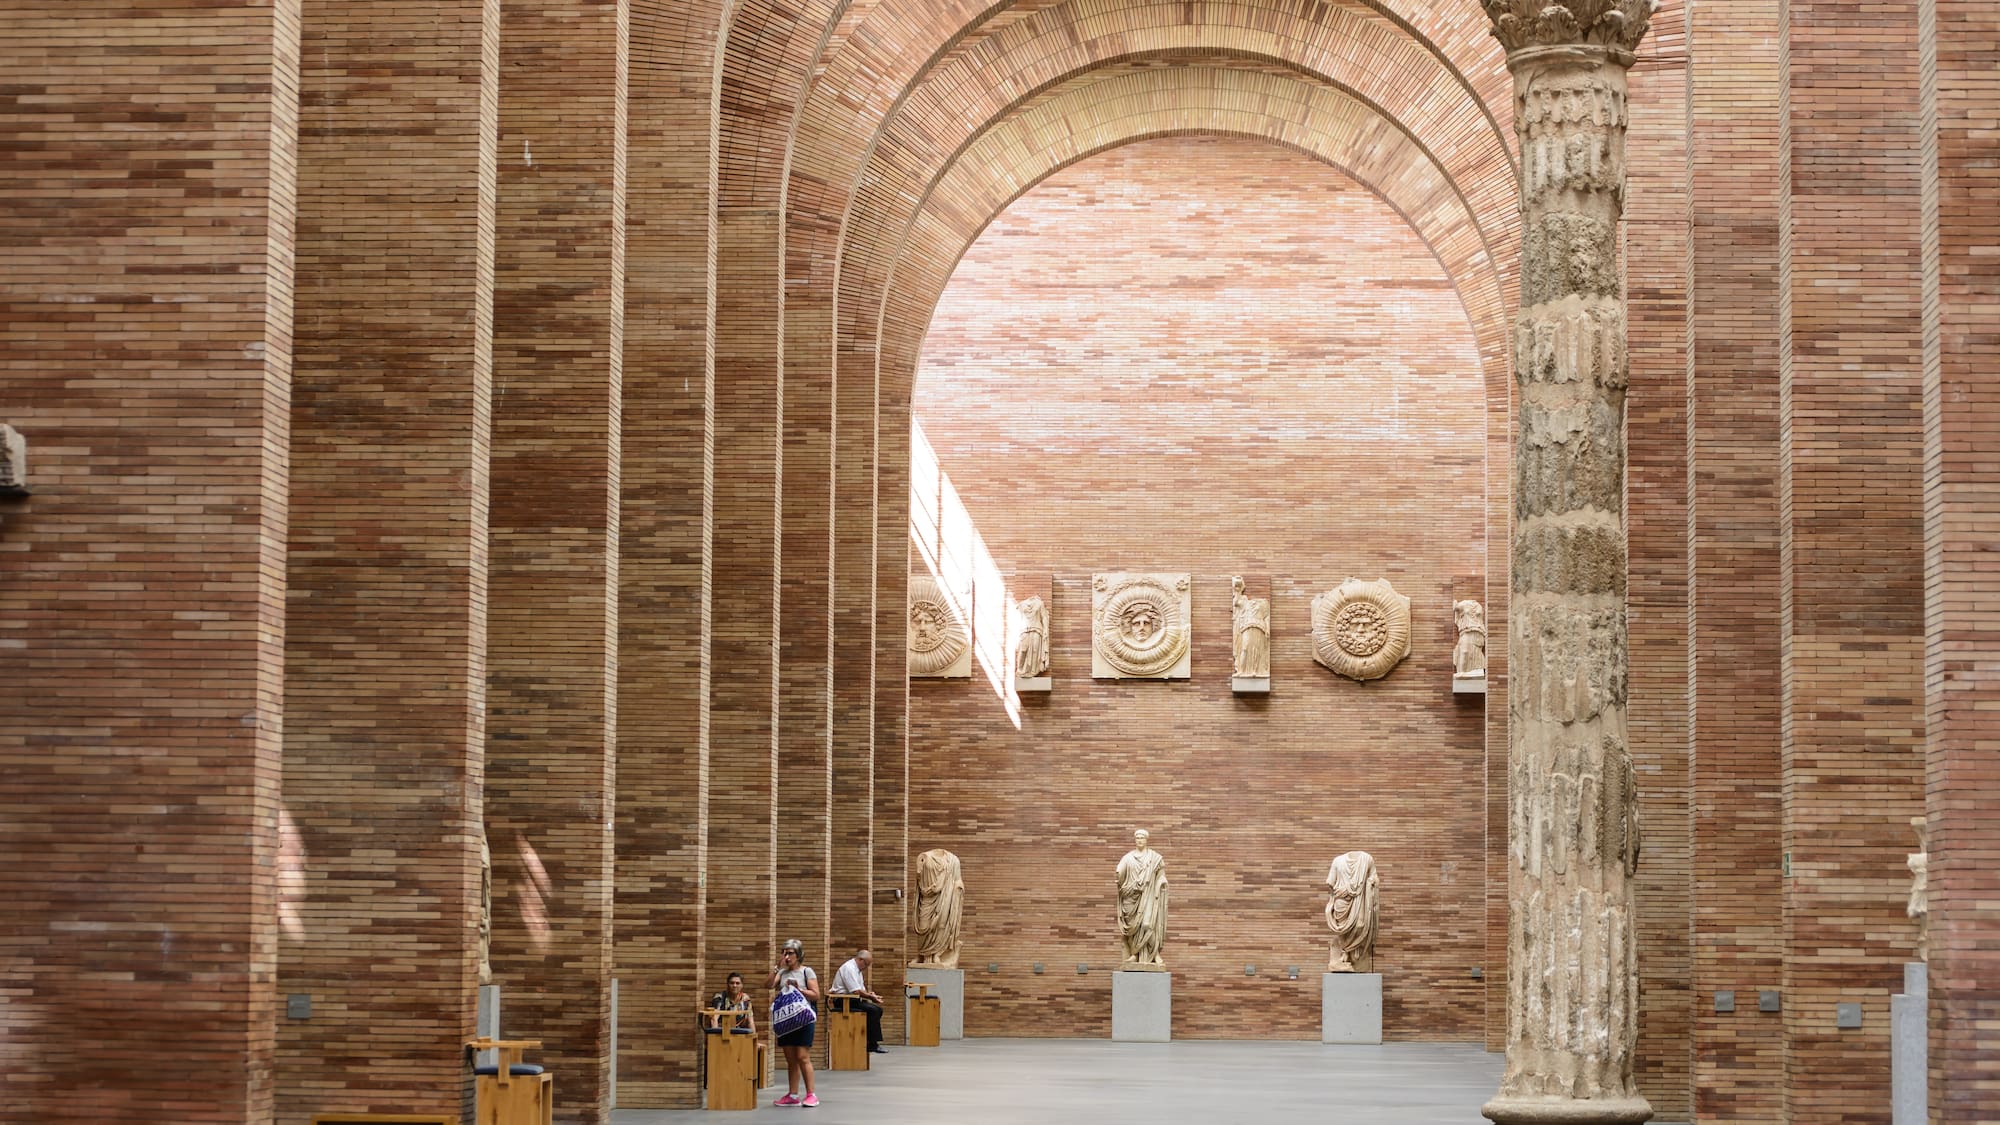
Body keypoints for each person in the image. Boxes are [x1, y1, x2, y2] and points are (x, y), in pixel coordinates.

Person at [766, 938, 821, 1108]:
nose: (787, 956)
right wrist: (777, 967)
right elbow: (768, 985)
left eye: (790, 953)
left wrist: (800, 990)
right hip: (786, 1020)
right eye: (784, 953)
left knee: (802, 1056)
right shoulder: (781, 973)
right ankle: (793, 1094)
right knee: (791, 1059)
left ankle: (811, 1094)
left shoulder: (807, 972)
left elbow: (816, 994)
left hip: (802, 1019)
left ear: (798, 955)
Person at [830, 948, 887, 1054]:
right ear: (860, 960)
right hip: (843, 1000)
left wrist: (871, 994)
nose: (866, 968)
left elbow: (861, 989)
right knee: (873, 1011)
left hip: (853, 999)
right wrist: (870, 997)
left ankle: (868, 1039)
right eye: (866, 964)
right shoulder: (849, 968)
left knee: (877, 1010)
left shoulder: (857, 970)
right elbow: (855, 991)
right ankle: (872, 1044)